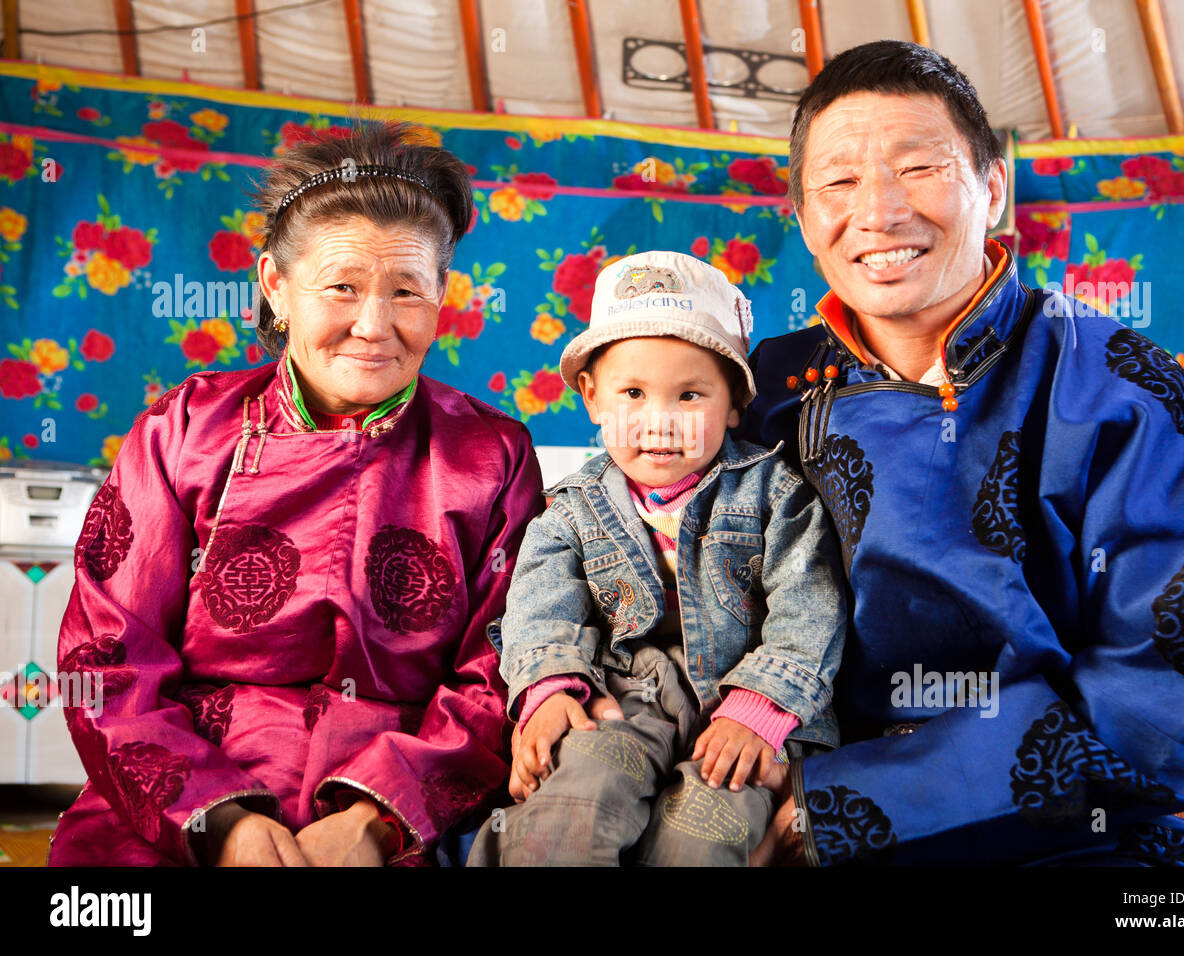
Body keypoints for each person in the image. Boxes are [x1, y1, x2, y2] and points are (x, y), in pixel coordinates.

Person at [736, 40, 1184, 866]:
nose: (880, 211)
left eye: (919, 168)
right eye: (838, 182)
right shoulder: (757, 392)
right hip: (765, 806)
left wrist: (860, 802)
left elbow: (1180, 697)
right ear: (803, 218)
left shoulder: (1117, 385)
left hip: (1063, 841)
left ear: (993, 188)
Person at [48, 123, 544, 866]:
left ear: (442, 295)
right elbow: (107, 658)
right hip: (186, 803)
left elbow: (499, 669)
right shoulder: (184, 429)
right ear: (276, 286)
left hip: (407, 808)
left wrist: (377, 819)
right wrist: (227, 824)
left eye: (406, 291)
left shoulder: (492, 455)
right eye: (342, 287)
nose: (373, 327)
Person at [467, 251, 845, 865]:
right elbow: (539, 607)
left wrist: (764, 710)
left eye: (690, 395)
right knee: (574, 805)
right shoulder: (570, 509)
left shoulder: (777, 494)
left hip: (743, 704)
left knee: (702, 832)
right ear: (592, 397)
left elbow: (810, 606)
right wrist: (548, 690)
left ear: (733, 404)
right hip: (625, 695)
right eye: (634, 393)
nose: (660, 422)